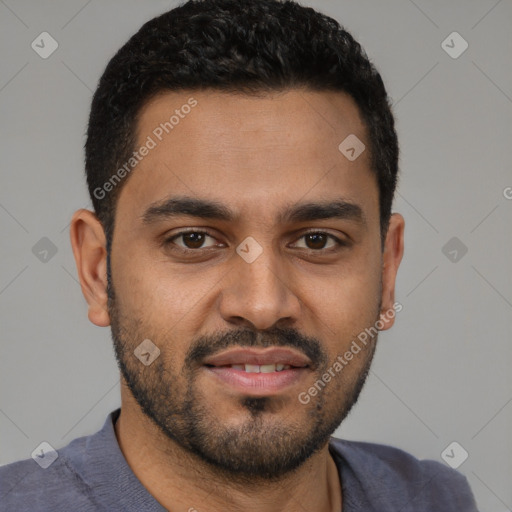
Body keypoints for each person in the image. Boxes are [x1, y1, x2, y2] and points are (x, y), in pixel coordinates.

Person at [0, 0, 479, 510]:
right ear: (97, 271)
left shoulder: (434, 499)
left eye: (317, 240)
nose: (262, 304)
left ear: (385, 270)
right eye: (193, 240)